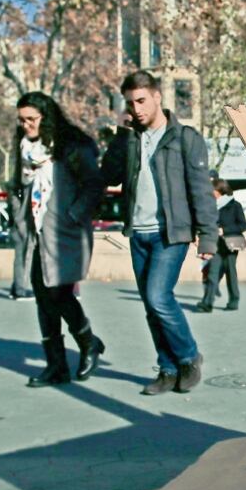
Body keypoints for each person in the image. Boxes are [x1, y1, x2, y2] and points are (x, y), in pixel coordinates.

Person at [101, 71, 217, 395]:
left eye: (141, 100)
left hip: (170, 233)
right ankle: (167, 369)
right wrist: (120, 136)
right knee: (150, 306)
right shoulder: (130, 138)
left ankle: (188, 356)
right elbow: (107, 175)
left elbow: (201, 190)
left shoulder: (184, 137)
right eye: (130, 103)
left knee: (158, 297)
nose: (136, 109)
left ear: (157, 97)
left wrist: (208, 235)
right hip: (138, 232)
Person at [12, 91, 106, 387]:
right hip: (37, 230)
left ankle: (88, 341)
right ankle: (57, 365)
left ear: (46, 117)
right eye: (21, 120)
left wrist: (74, 214)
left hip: (66, 231)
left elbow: (93, 185)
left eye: (31, 119)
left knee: (59, 292)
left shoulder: (72, 145)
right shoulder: (24, 146)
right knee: (43, 296)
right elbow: (18, 184)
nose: (26, 125)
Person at [197, 179, 246, 312]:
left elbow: (242, 225)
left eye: (212, 190)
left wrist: (224, 230)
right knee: (212, 273)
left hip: (230, 245)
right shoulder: (211, 206)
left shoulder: (235, 205)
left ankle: (234, 301)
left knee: (231, 273)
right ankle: (207, 303)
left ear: (220, 191)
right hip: (215, 244)